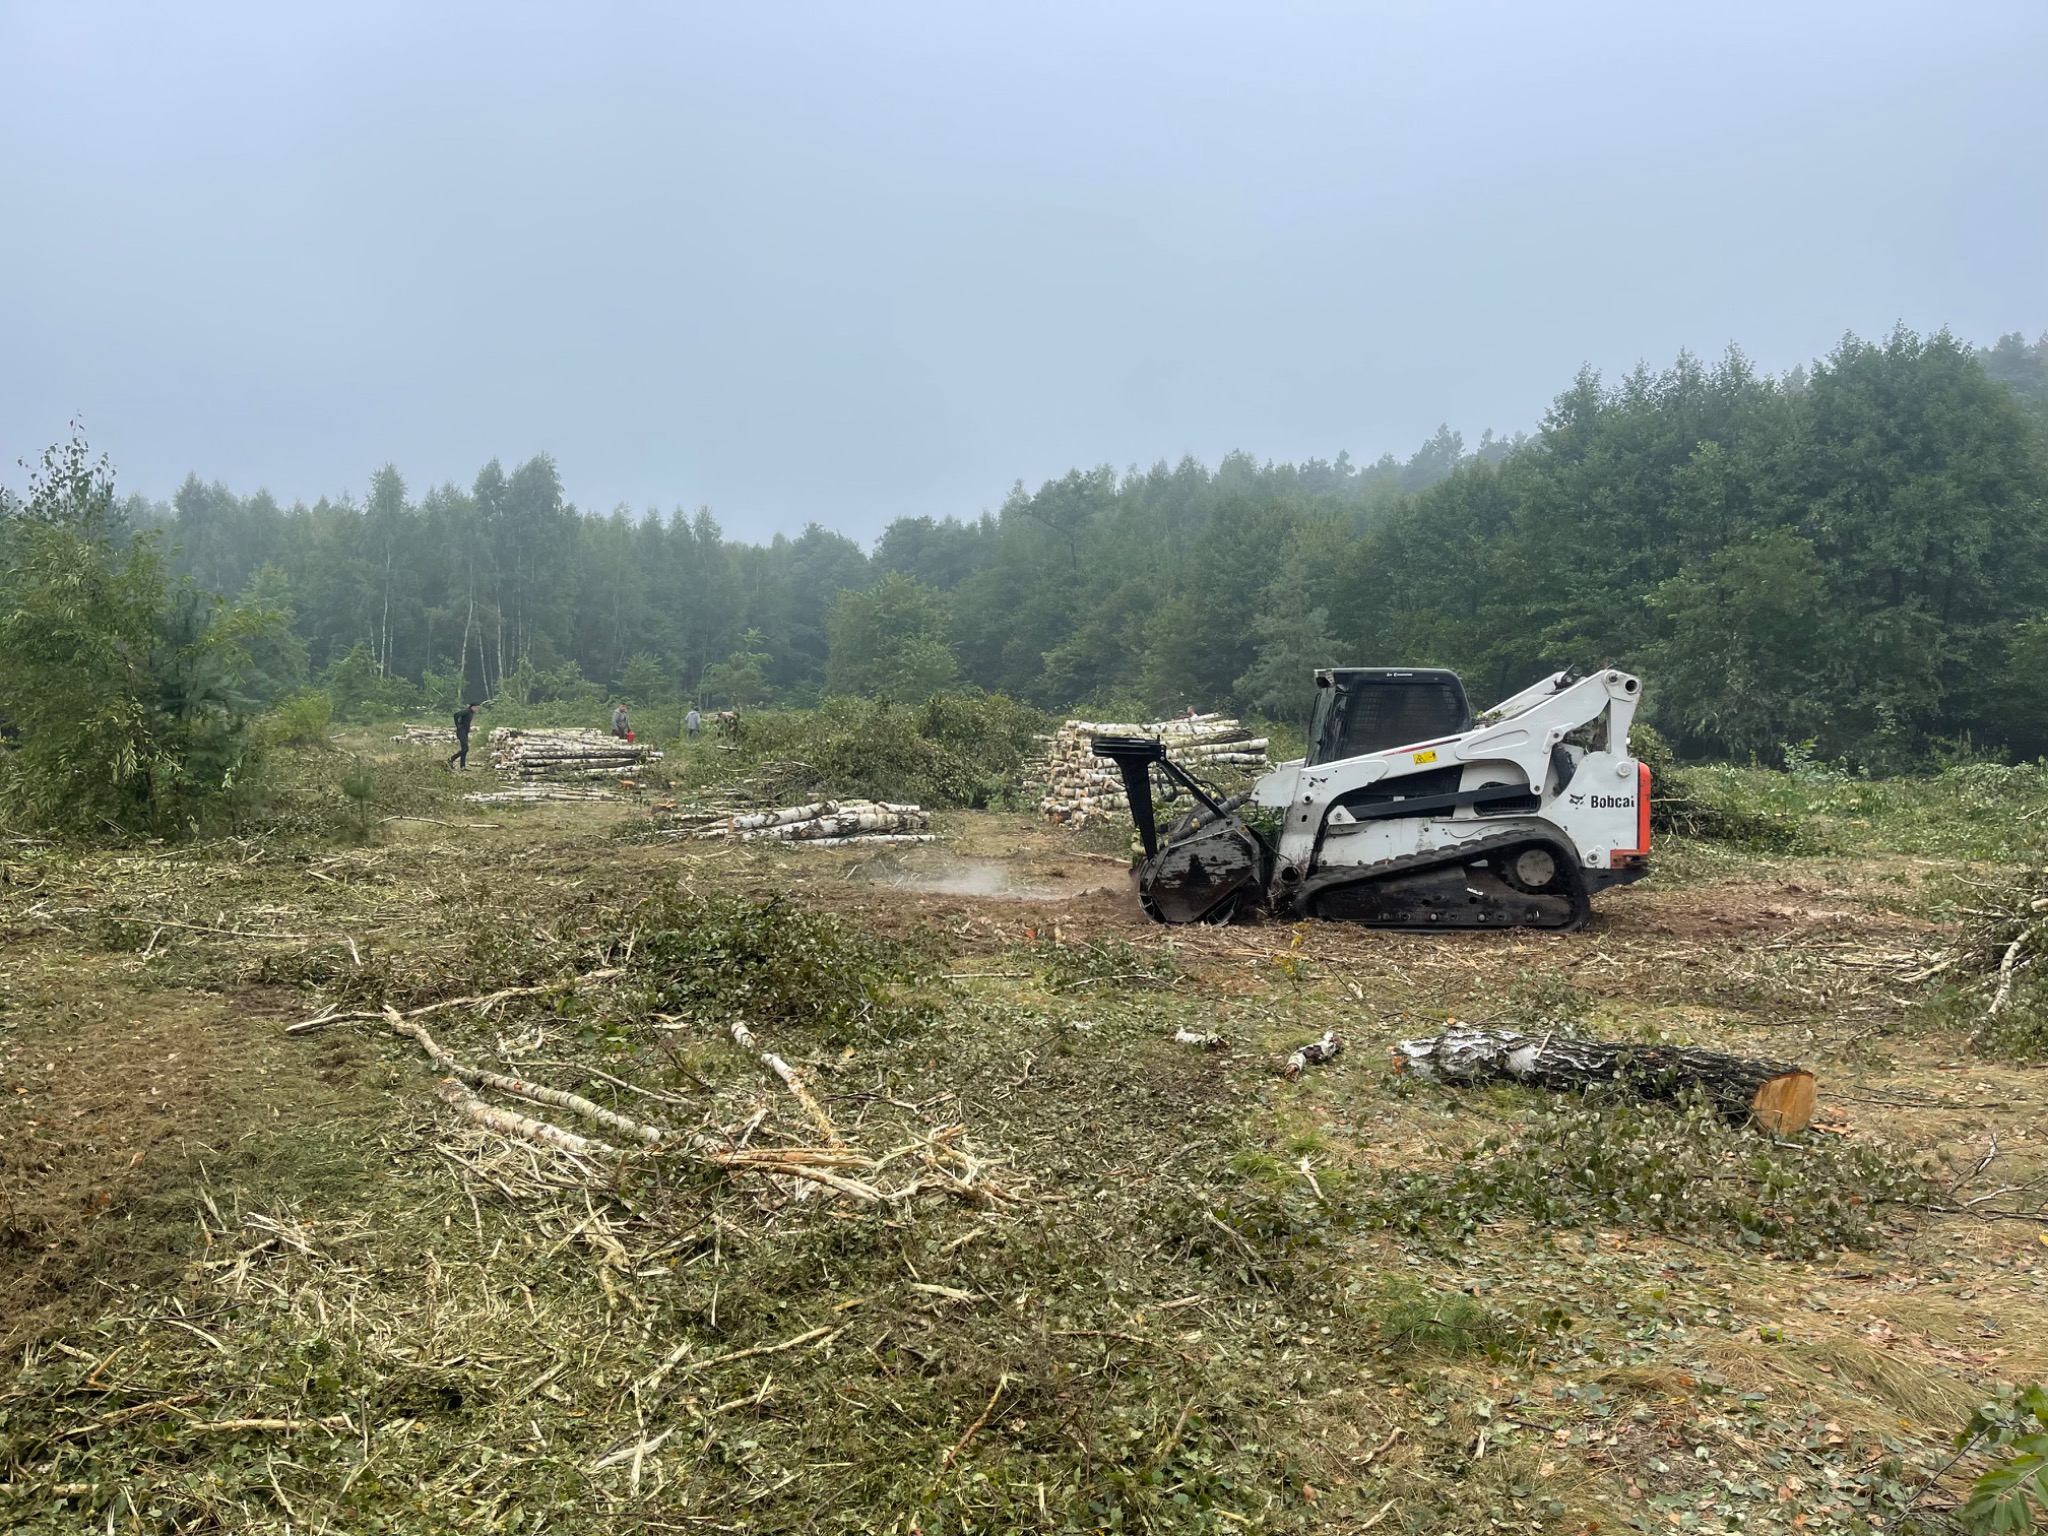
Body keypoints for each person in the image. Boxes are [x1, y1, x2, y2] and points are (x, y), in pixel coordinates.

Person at [449, 700, 483, 770]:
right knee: (465, 749)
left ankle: (462, 766)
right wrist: (457, 725)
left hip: (465, 732)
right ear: (472, 707)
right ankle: (451, 759)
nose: (477, 709)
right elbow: (456, 715)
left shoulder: (471, 713)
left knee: (464, 749)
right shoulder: (466, 711)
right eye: (476, 707)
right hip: (461, 731)